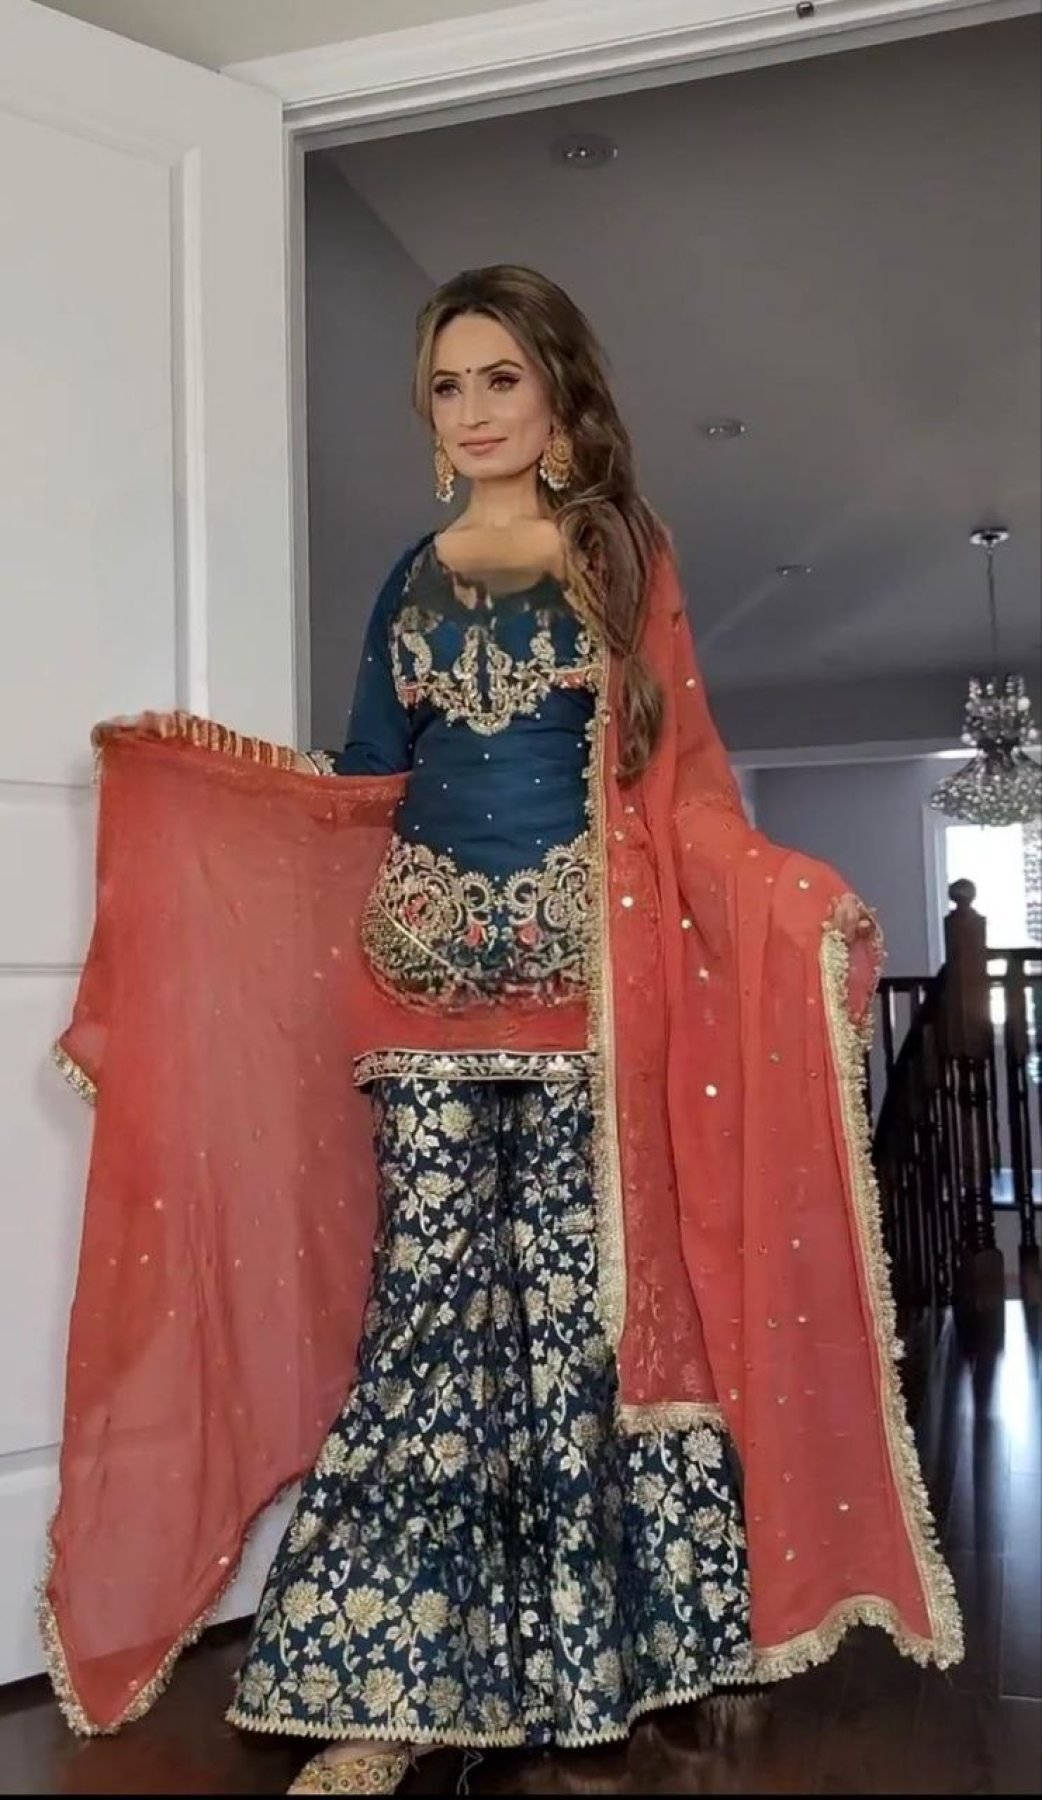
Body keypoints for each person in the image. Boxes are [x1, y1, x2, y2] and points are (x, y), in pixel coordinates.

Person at [43, 267, 961, 1796]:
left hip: (586, 1004)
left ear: (558, 392)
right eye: (445, 387)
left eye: (498, 380)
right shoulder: (411, 578)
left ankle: (605, 1664)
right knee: (425, 1321)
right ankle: (385, 1698)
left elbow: (682, 788)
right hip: (413, 991)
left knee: (577, 1323)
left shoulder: (619, 555)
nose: (470, 412)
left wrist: (789, 895)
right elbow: (364, 783)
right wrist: (202, 786)